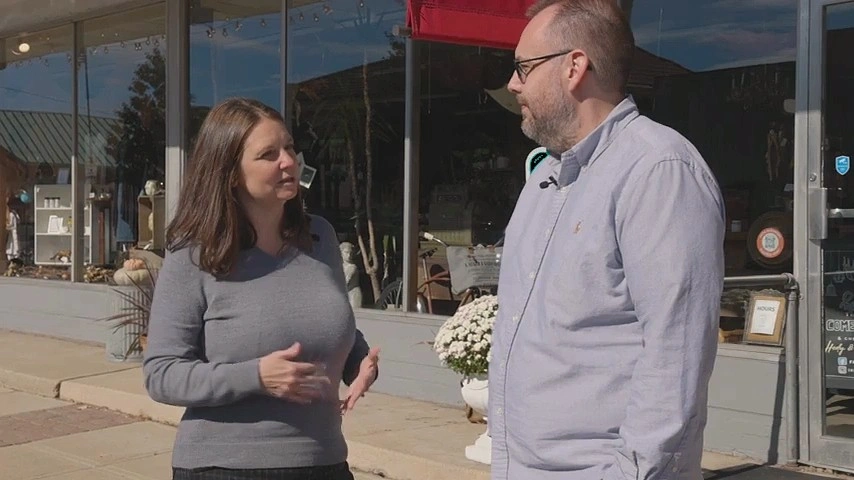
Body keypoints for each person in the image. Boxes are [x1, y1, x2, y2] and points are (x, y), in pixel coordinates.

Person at [489, 1, 725, 479]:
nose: (513, 84)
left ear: (574, 67)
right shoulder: (544, 181)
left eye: (523, 67)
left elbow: (675, 356)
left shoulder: (658, 171)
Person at [143, 97, 379, 480]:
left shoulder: (320, 236)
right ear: (231, 173)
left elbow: (326, 322)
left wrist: (359, 362)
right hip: (224, 468)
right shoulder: (195, 254)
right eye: (269, 154)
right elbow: (162, 374)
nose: (288, 161)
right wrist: (256, 377)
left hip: (324, 463)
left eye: (289, 147)